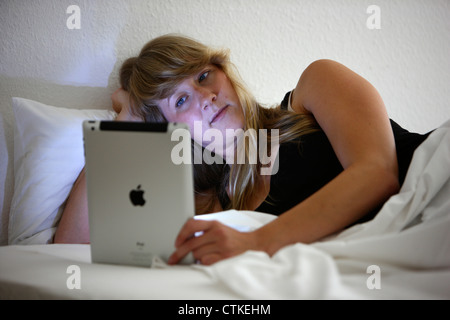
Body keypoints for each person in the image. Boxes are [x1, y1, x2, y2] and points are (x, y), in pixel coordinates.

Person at [54, 34, 430, 266]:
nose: (205, 96)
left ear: (225, 73)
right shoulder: (219, 208)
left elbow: (377, 173)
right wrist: (130, 117)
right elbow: (71, 247)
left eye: (204, 76)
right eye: (181, 100)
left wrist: (257, 242)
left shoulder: (315, 86)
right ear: (171, 132)